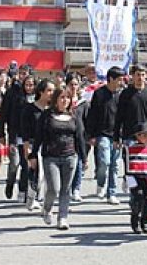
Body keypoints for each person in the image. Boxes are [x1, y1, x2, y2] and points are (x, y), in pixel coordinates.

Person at [29, 84, 86, 230]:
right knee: (54, 188)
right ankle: (47, 209)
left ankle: (63, 217)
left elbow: (79, 137)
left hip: (70, 156)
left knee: (66, 189)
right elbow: (39, 136)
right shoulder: (47, 115)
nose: (65, 100)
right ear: (55, 100)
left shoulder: (74, 116)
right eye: (62, 97)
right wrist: (33, 154)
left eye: (67, 98)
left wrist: (84, 158)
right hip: (51, 157)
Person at [86, 66, 125, 205]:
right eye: (119, 79)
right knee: (104, 162)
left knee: (114, 165)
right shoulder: (99, 94)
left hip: (117, 135)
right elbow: (92, 115)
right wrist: (90, 135)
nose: (122, 82)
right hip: (102, 134)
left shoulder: (122, 95)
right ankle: (101, 183)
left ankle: (112, 193)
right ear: (111, 79)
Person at [0, 75, 35, 201]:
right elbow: (4, 114)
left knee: (26, 165)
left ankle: (22, 190)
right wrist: (1, 134)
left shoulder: (37, 98)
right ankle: (10, 182)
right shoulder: (14, 96)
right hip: (16, 135)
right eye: (27, 84)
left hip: (30, 137)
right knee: (14, 164)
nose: (29, 87)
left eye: (32, 85)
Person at [21, 79, 55, 211]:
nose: (52, 93)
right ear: (41, 92)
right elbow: (25, 131)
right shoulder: (29, 109)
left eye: (53, 90)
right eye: (49, 90)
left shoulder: (52, 110)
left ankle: (44, 201)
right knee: (37, 173)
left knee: (48, 176)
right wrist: (27, 148)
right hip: (34, 145)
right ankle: (31, 197)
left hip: (50, 146)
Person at [66, 73, 90, 203]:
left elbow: (87, 120)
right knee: (69, 164)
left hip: (80, 137)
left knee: (79, 162)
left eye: (76, 84)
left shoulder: (83, 102)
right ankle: (67, 188)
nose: (74, 87)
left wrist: (88, 136)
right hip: (66, 136)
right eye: (71, 84)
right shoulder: (63, 99)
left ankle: (76, 189)